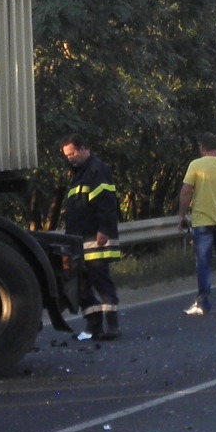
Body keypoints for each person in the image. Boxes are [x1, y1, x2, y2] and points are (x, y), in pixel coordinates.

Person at [60, 132, 124, 340]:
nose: (69, 159)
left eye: (71, 154)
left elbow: (106, 202)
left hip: (96, 238)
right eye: (66, 156)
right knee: (82, 283)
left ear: (82, 149)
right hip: (80, 240)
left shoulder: (97, 170)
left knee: (100, 280)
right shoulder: (79, 173)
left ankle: (112, 326)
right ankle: (93, 326)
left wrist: (103, 230)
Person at [176, 136, 216, 315]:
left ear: (202, 147)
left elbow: (186, 191)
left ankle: (203, 303)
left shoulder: (196, 165)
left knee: (204, 263)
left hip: (203, 221)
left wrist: (182, 215)